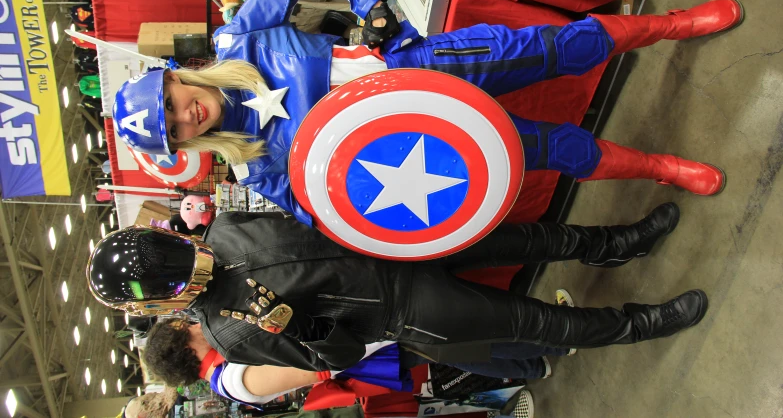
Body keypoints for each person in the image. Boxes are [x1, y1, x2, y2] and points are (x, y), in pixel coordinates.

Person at [112, 0, 741, 227]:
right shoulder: (253, 170)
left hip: (424, 67)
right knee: (554, 150)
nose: (184, 117)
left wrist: (369, 5)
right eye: (173, 131)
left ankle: (674, 24)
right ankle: (659, 166)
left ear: (174, 78)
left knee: (562, 48)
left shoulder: (238, 40)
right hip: (418, 146)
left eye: (169, 104)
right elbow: (318, 212)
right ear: (182, 149)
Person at [86, 203, 706, 372]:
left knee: (531, 238)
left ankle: (622, 242)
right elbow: (344, 356)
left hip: (399, 243)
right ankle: (642, 325)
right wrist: (299, 328)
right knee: (540, 324)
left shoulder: (226, 228)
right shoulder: (230, 331)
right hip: (407, 308)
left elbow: (309, 217)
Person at [141, 318, 559, 407]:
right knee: (461, 340)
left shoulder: (226, 370)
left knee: (459, 343)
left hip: (356, 349)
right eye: (185, 329)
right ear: (185, 346)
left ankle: (536, 363)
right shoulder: (233, 378)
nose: (193, 325)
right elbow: (308, 366)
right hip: (359, 352)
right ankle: (552, 347)